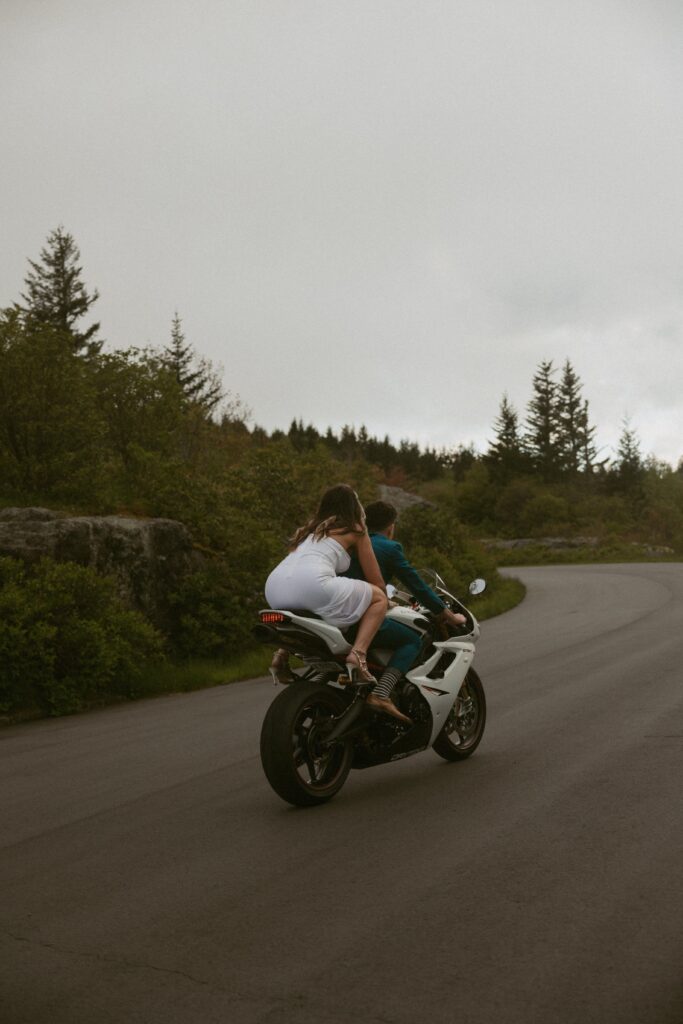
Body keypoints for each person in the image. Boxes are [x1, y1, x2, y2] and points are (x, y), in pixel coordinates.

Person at [343, 500, 466, 720]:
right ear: (391, 526)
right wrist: (447, 614)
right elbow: (416, 585)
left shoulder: (348, 543)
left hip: (334, 614)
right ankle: (382, 692)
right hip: (359, 617)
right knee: (413, 640)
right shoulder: (389, 548)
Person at [265, 485, 387, 685]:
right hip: (312, 585)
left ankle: (280, 656)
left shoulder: (309, 531)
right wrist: (386, 599)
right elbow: (376, 581)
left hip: (274, 587)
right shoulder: (356, 529)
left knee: (301, 612)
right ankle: (358, 656)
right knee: (379, 597)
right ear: (353, 507)